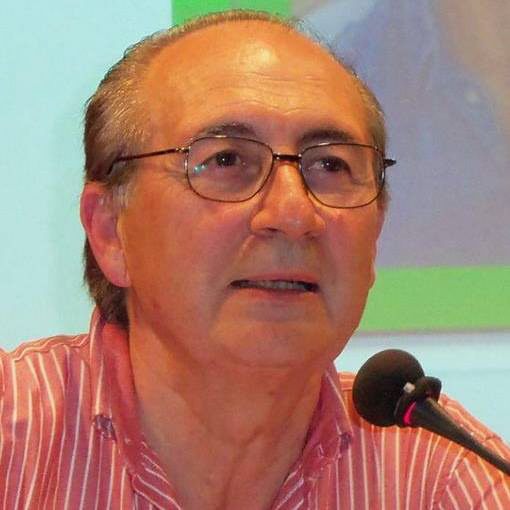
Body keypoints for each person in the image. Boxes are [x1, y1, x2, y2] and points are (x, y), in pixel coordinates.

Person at [1, 9, 509, 510]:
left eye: (331, 165)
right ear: (110, 231)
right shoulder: (14, 437)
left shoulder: (445, 478)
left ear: (375, 236)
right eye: (226, 160)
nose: (293, 213)